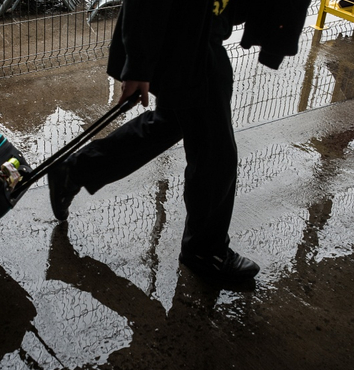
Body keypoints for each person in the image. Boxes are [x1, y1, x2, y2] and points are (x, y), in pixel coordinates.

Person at [47, 0, 309, 281]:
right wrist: (138, 65)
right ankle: (205, 250)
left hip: (198, 31)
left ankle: (74, 171)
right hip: (187, 39)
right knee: (215, 154)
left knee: (171, 123)